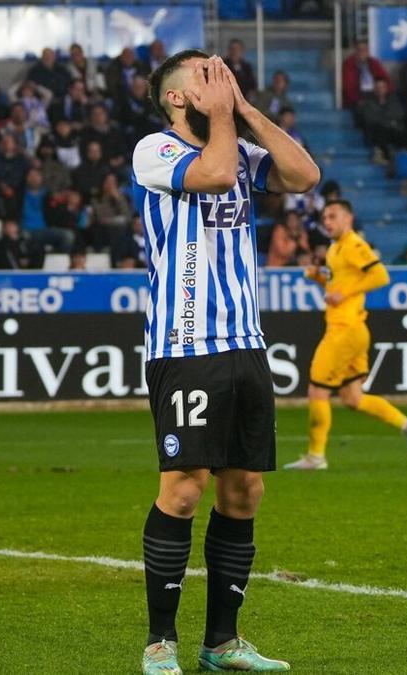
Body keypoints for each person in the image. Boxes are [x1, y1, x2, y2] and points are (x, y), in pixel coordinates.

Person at [133, 50, 319, 674]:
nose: (223, 84)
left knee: (244, 491)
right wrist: (223, 119)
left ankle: (222, 642)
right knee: (185, 491)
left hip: (246, 346)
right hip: (185, 345)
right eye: (207, 79)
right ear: (178, 99)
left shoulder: (237, 144)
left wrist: (243, 111)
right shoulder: (154, 150)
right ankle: (162, 641)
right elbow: (212, 175)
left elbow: (304, 175)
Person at [285, 201, 407, 472]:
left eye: (333, 216)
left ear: (348, 218)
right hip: (353, 330)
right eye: (324, 216)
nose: (327, 221)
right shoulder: (335, 249)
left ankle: (316, 456)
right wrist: (320, 279)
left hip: (344, 330)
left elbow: (381, 276)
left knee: (317, 390)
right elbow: (341, 286)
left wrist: (344, 293)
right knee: (352, 398)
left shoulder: (353, 244)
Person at [342, 41, 390, 109]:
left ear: (368, 51)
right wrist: (357, 100)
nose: (362, 52)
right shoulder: (349, 64)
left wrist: (386, 94)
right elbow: (348, 87)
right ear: (355, 51)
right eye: (359, 49)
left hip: (376, 93)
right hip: (359, 96)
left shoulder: (374, 62)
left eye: (364, 49)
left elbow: (386, 79)